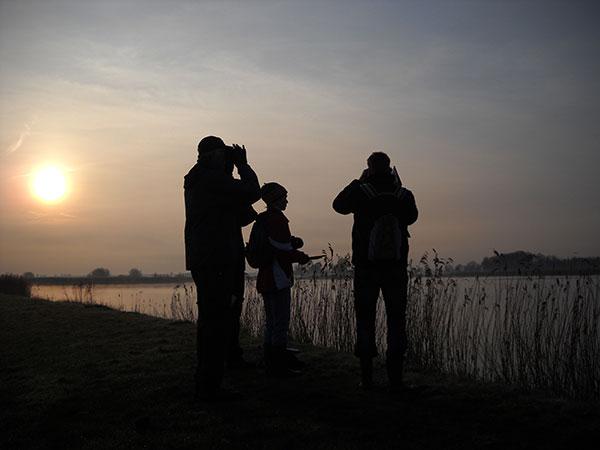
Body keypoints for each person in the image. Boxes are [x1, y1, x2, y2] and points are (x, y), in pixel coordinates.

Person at [332, 152, 418, 390]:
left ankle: (367, 379)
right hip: (396, 268)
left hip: (366, 268)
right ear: (390, 168)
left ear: (368, 168)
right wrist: (396, 190)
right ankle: (396, 380)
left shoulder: (361, 192)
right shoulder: (403, 194)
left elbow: (338, 205)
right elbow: (412, 217)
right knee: (397, 320)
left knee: (365, 319)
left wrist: (358, 182)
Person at [184, 136, 260, 401]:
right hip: (215, 258)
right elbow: (252, 192)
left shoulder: (205, 180)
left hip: (213, 256)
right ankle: (209, 386)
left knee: (215, 319)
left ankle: (211, 380)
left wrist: (229, 171)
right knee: (214, 322)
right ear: (212, 155)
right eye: (223, 155)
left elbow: (242, 215)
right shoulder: (209, 179)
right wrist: (243, 166)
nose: (227, 159)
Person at [255, 182, 310, 377]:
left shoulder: (261, 220)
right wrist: (301, 256)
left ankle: (270, 361)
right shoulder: (277, 220)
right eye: (284, 197)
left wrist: (292, 243)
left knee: (271, 321)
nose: (286, 200)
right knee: (280, 322)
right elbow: (283, 252)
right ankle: (279, 365)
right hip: (277, 278)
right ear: (276, 200)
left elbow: (277, 246)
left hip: (265, 277)